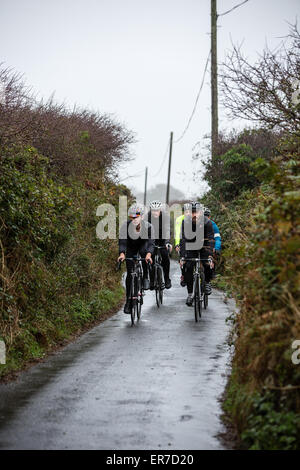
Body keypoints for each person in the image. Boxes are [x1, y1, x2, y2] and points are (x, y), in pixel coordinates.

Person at [118, 204, 154, 313]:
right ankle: (129, 301)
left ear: (142, 217)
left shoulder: (148, 227)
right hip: (131, 247)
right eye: (132, 217)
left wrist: (149, 254)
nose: (134, 219)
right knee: (130, 274)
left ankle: (145, 277)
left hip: (143, 245)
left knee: (144, 254)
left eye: (136, 217)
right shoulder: (125, 226)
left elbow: (151, 243)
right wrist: (122, 254)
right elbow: (123, 242)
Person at [179, 202, 215, 306]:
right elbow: (183, 239)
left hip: (204, 246)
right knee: (188, 267)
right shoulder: (185, 222)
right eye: (192, 212)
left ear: (201, 213)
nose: (194, 215)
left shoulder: (207, 222)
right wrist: (183, 256)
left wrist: (210, 255)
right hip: (191, 246)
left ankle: (207, 282)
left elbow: (211, 239)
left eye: (196, 212)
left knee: (208, 264)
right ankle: (190, 294)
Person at [148, 200, 172, 289]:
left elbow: (167, 230)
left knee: (165, 256)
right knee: (150, 258)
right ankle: (152, 280)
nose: (155, 212)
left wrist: (167, 243)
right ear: (151, 210)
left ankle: (167, 279)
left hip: (162, 239)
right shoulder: (147, 217)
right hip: (151, 239)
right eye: (153, 210)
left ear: (160, 210)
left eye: (157, 210)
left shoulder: (165, 217)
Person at [174, 203, 192, 287]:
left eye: (189, 211)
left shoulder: (194, 219)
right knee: (183, 260)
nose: (188, 213)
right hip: (183, 240)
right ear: (183, 213)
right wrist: (177, 244)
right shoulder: (179, 219)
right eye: (186, 212)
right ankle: (183, 275)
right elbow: (178, 233)